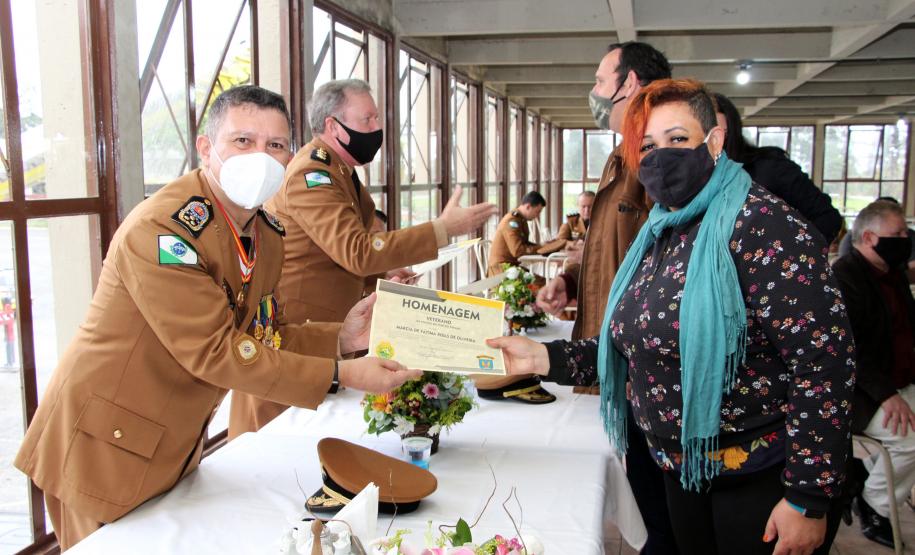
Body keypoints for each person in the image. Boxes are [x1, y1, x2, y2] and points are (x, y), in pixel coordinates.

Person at [13, 85, 421, 551]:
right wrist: (340, 373)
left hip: (169, 444)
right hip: (102, 449)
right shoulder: (165, 231)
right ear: (206, 148)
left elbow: (265, 333)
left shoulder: (264, 233)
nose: (262, 157)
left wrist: (341, 338)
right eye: (243, 141)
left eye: (276, 145)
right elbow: (214, 351)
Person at [492, 79, 854, 555]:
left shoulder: (764, 224)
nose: (661, 156)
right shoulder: (661, 230)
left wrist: (807, 498)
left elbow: (824, 363)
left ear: (715, 141)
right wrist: (542, 358)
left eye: (677, 139)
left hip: (760, 477)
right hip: (683, 470)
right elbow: (635, 345)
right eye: (647, 145)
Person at [229, 79, 495, 437]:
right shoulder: (313, 173)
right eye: (368, 119)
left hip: (334, 336)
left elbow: (335, 254)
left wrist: (384, 273)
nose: (377, 128)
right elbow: (354, 251)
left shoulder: (340, 172)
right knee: (282, 445)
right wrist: (440, 230)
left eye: (377, 119)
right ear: (332, 126)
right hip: (301, 338)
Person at [535, 41, 680, 555]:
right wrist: (570, 280)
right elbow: (609, 247)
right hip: (615, 356)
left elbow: (666, 262)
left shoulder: (658, 160)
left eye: (600, 81)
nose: (594, 93)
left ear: (631, 84)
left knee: (664, 515)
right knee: (646, 498)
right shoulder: (621, 158)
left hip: (649, 367)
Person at [832, 199, 915, 548]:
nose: (905, 239)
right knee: (910, 437)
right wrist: (887, 395)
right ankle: (875, 504)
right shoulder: (844, 277)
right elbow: (849, 351)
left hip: (897, 379)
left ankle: (870, 482)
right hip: (860, 391)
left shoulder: (890, 273)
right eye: (896, 234)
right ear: (868, 237)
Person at [713, 93, 842, 245]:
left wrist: (789, 255)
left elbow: (827, 218)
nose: (711, 142)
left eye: (719, 133)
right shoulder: (691, 179)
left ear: (731, 131)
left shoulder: (769, 167)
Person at [487, 190, 566, 276]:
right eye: (537, 211)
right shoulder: (512, 221)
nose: (537, 215)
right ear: (528, 207)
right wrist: (542, 248)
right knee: (544, 285)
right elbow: (517, 250)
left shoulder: (521, 220)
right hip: (501, 271)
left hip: (512, 268)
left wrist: (544, 247)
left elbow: (525, 244)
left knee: (545, 283)